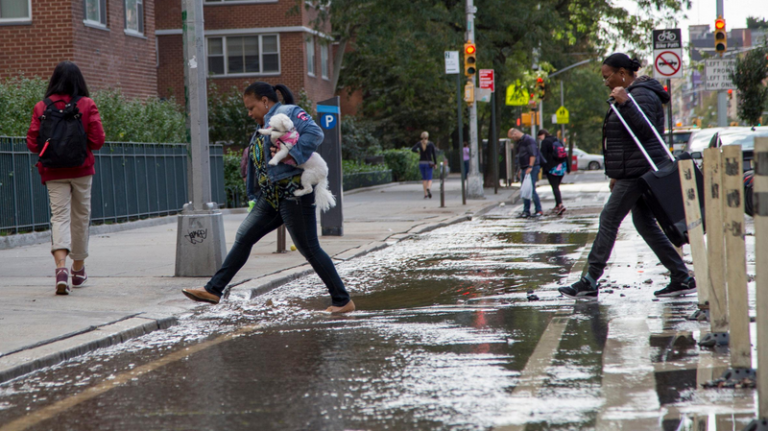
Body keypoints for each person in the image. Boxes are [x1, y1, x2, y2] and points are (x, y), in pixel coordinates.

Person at [182, 82, 355, 313]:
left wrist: (291, 155)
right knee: (244, 237)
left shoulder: (288, 113)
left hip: (293, 194)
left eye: (251, 107)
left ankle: (342, 301)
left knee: (309, 249)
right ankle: (214, 290)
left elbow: (315, 133)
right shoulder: (264, 126)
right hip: (272, 196)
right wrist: (254, 193)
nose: (249, 113)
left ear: (265, 101)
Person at [558, 53, 695, 300]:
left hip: (640, 171)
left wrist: (626, 103)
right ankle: (681, 276)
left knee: (609, 218)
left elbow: (645, 132)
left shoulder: (639, 95)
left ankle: (589, 279)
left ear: (622, 73)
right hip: (634, 170)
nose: (605, 82)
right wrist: (616, 174)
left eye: (606, 76)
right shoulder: (632, 94)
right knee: (643, 223)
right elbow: (624, 140)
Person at [26, 61, 105, 295]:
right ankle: (78, 269)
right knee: (80, 217)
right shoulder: (87, 104)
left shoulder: (41, 107)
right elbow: (98, 140)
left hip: (53, 171)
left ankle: (61, 268)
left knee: (59, 216)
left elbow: (32, 142)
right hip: (81, 169)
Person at [507, 128, 543, 218]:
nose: (513, 139)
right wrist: (521, 168)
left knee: (531, 189)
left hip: (531, 167)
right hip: (525, 167)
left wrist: (530, 166)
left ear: (515, 133)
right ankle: (526, 211)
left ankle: (538, 210)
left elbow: (533, 154)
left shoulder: (529, 140)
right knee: (525, 189)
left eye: (512, 137)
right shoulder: (521, 141)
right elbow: (522, 156)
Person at [538, 129, 567, 215]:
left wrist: (543, 169)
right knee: (556, 186)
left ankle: (560, 204)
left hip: (552, 168)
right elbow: (564, 153)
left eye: (540, 137)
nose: (540, 139)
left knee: (554, 187)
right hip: (561, 166)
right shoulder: (557, 140)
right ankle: (557, 204)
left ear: (542, 134)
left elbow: (543, 156)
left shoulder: (545, 142)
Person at [411, 132, 437, 199]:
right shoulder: (431, 144)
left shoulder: (419, 143)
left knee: (424, 179)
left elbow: (413, 149)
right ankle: (428, 188)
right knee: (429, 179)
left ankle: (425, 194)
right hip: (429, 163)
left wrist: (418, 152)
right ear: (427, 137)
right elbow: (434, 154)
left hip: (421, 163)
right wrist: (435, 163)